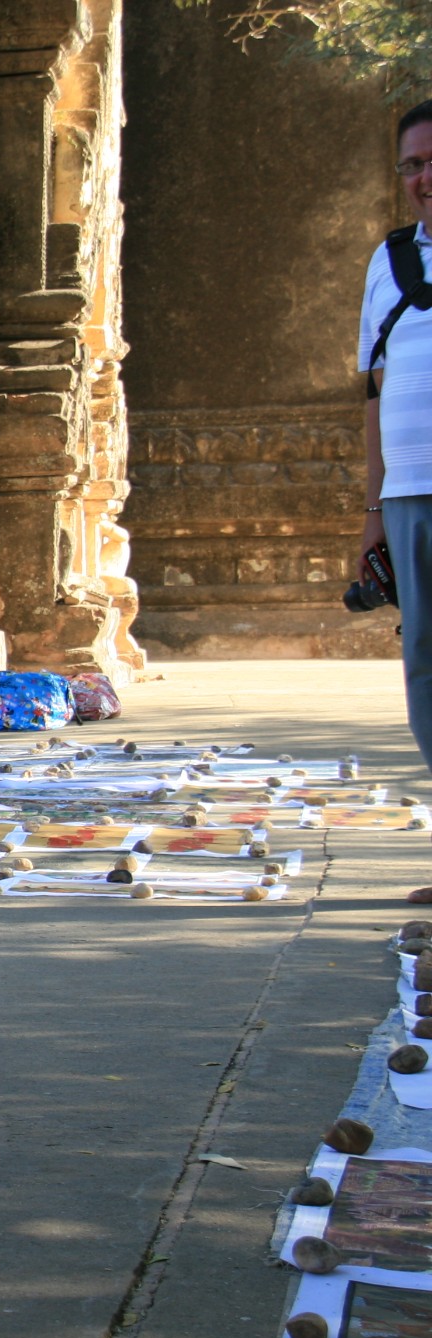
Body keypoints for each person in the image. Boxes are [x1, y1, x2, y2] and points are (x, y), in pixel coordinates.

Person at [363, 100, 432, 904]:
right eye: (411, 166)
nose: (424, 178)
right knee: (425, 674)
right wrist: (373, 510)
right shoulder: (388, 263)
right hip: (408, 494)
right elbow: (372, 392)